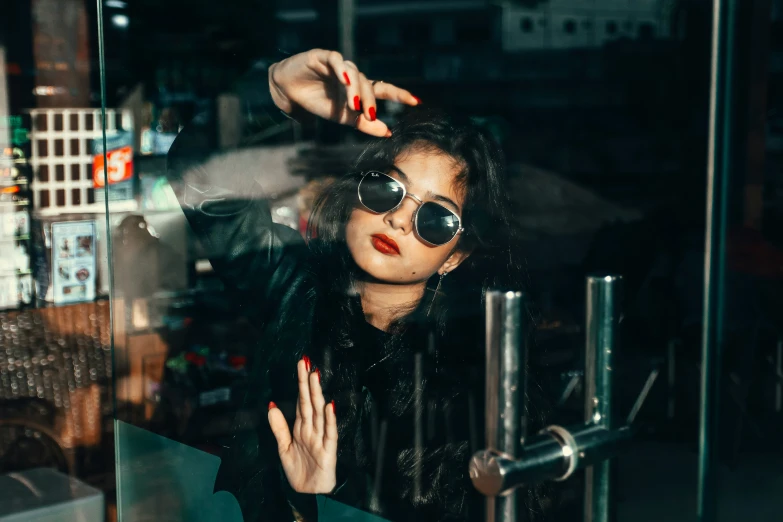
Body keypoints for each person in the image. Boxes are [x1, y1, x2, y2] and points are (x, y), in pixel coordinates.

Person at [168, 49, 530, 521]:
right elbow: (202, 184)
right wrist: (273, 92)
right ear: (356, 194)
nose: (399, 219)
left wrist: (320, 497)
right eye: (388, 189)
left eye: (435, 217)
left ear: (455, 256)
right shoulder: (295, 289)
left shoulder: (463, 384)